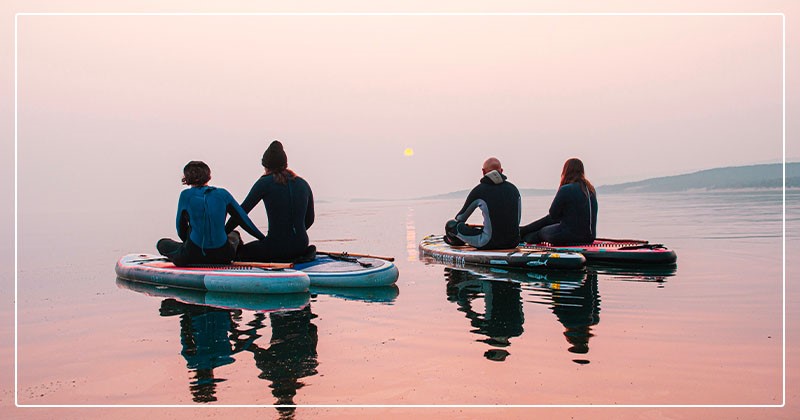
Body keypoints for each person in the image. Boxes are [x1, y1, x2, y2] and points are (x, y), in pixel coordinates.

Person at [157, 161, 266, 266]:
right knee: (234, 234)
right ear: (209, 176)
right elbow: (244, 220)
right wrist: (262, 238)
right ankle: (237, 256)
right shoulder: (223, 194)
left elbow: (180, 228)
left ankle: (188, 250)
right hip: (223, 256)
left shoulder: (186, 195)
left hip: (193, 254)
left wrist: (188, 244)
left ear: (186, 179)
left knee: (162, 243)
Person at [226, 140, 315, 262]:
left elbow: (240, 214)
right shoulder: (303, 183)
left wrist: (224, 232)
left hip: (275, 247)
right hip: (301, 245)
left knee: (241, 252)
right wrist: (294, 234)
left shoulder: (264, 182)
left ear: (266, 165)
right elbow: (310, 219)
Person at [443, 157, 521, 250]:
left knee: (451, 225)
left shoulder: (479, 190)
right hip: (513, 242)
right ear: (502, 171)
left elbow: (460, 218)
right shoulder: (514, 189)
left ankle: (455, 243)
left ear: (483, 172)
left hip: (488, 243)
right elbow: (517, 220)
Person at [520, 157, 598, 245]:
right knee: (549, 225)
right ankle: (523, 231)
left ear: (565, 171)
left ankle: (521, 236)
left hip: (567, 236)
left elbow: (553, 215)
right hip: (589, 237)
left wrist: (528, 229)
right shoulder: (590, 190)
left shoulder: (566, 189)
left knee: (541, 232)